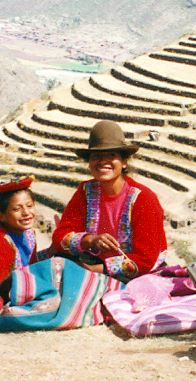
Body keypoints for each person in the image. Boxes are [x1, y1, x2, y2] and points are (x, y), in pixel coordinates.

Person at [52, 120, 167, 281]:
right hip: (94, 264)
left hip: (137, 274)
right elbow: (60, 236)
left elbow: (146, 258)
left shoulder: (143, 199)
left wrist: (95, 270)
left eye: (111, 155)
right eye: (96, 156)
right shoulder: (85, 192)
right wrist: (89, 240)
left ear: (124, 162)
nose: (103, 161)